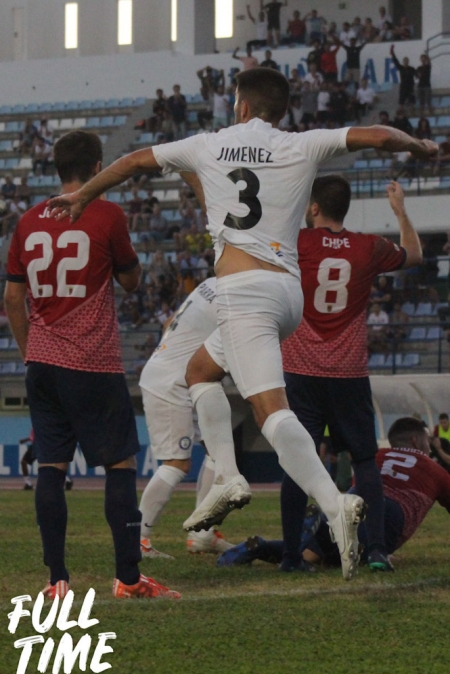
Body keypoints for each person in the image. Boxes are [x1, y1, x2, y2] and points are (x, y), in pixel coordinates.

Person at [47, 68, 437, 582]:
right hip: (287, 295)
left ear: (241, 106)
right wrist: (420, 147)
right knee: (200, 371)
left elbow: (132, 162)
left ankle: (334, 503)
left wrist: (82, 197)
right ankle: (229, 476)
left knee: (271, 412)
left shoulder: (208, 144)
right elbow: (380, 137)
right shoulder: (302, 143)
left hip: (243, 292)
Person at [5, 130, 180, 601]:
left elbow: (13, 297)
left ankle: (56, 580)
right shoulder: (106, 213)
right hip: (92, 361)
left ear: (57, 167)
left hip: (42, 362)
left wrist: (29, 351)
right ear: (99, 166)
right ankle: (127, 577)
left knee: (51, 467)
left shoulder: (26, 221)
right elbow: (130, 280)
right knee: (120, 463)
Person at [279, 176, 421, 572]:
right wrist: (400, 211)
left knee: (297, 462)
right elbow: (413, 254)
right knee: (362, 461)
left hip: (301, 370)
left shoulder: (298, 243)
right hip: (349, 371)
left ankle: (291, 556)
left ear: (314, 208)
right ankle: (375, 550)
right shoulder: (369, 246)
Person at [218, 417, 450, 569]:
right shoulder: (435, 469)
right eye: (428, 440)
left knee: (323, 553)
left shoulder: (374, 457)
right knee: (342, 557)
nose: (430, 445)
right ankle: (362, 546)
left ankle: (264, 545)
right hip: (390, 514)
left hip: (353, 500)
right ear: (415, 440)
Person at [139, 277, 234, 558]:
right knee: (177, 463)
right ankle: (138, 539)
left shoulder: (213, 282)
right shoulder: (239, 295)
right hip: (171, 382)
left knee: (218, 451)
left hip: (180, 377)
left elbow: (168, 323)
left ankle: (202, 534)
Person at [390, 45, 416, 110]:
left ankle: (412, 113)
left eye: (407, 61)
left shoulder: (411, 69)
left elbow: (417, 74)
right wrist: (392, 52)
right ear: (403, 62)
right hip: (403, 86)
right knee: (401, 102)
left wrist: (418, 76)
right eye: (405, 61)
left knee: (412, 102)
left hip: (410, 87)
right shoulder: (401, 68)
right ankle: (401, 112)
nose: (406, 62)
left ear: (408, 62)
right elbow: (395, 61)